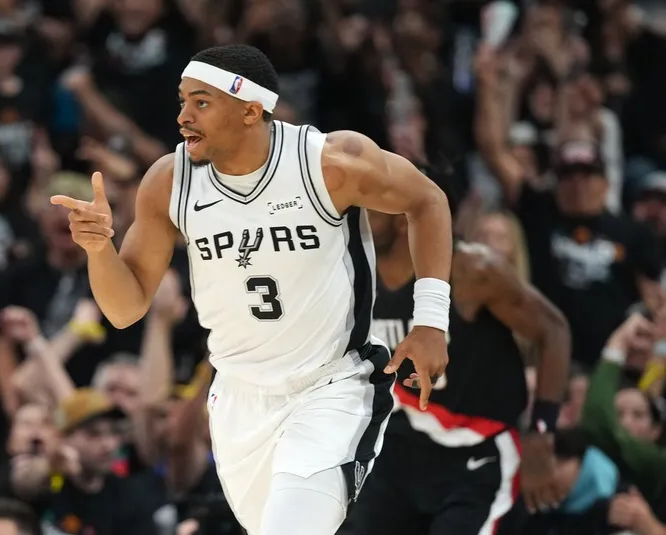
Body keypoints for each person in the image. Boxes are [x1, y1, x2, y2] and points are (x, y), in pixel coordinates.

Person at [50, 44, 453, 535]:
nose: (182, 117)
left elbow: (428, 200)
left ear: (250, 110)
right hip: (237, 400)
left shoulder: (329, 162)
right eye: (181, 101)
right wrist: (98, 249)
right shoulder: (169, 181)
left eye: (201, 102)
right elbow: (124, 307)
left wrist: (431, 319)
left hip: (328, 388)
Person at [341, 184, 571, 535]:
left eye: (369, 211)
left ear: (403, 219)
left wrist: (542, 433)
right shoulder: (353, 273)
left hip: (476, 454)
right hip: (400, 450)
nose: (357, 219)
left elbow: (553, 331)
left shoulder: (469, 270)